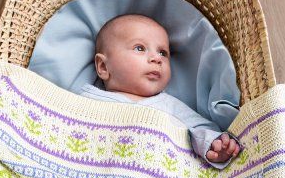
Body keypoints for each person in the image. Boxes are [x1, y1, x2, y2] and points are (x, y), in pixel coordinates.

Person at [80, 13, 241, 165]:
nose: (157, 58)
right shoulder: (86, 102)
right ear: (103, 66)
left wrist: (215, 145)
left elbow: (202, 129)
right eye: (140, 48)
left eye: (163, 53)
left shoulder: (169, 105)